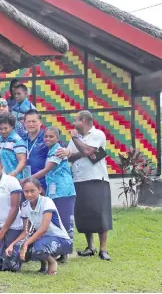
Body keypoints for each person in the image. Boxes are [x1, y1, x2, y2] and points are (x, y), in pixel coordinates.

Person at [57, 110, 111, 261]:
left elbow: (87, 150)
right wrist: (80, 151)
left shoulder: (98, 134)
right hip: (78, 179)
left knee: (101, 214)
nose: (73, 124)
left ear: (85, 121)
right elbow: (71, 154)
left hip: (96, 178)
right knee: (85, 214)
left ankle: (103, 249)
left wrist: (77, 141)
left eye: (76, 120)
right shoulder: (77, 139)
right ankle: (90, 247)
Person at [4, 179, 73, 275]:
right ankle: (43, 263)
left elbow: (44, 229)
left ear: (39, 190)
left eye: (32, 191)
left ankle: (52, 262)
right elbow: (26, 231)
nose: (29, 194)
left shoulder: (47, 202)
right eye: (26, 191)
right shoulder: (24, 206)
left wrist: (26, 244)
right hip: (43, 239)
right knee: (15, 250)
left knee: (38, 247)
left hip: (61, 240)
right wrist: (12, 245)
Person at [25, 127, 76, 249]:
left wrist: (27, 180)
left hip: (64, 191)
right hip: (55, 191)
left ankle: (67, 250)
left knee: (65, 220)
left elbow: (47, 169)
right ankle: (61, 249)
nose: (47, 139)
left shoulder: (58, 150)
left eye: (51, 136)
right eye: (46, 136)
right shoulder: (50, 149)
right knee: (57, 221)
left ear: (58, 138)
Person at [0, 113, 28, 180]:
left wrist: (13, 174)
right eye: (0, 129)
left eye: (5, 128)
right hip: (2, 179)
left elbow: (22, 161)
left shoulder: (17, 141)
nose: (3, 131)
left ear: (12, 126)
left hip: (15, 179)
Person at [23, 110, 49, 190]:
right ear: (24, 123)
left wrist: (67, 152)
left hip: (44, 183)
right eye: (28, 122)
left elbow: (59, 150)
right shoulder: (21, 139)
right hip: (25, 184)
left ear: (40, 122)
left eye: (34, 121)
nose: (31, 124)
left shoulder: (47, 137)